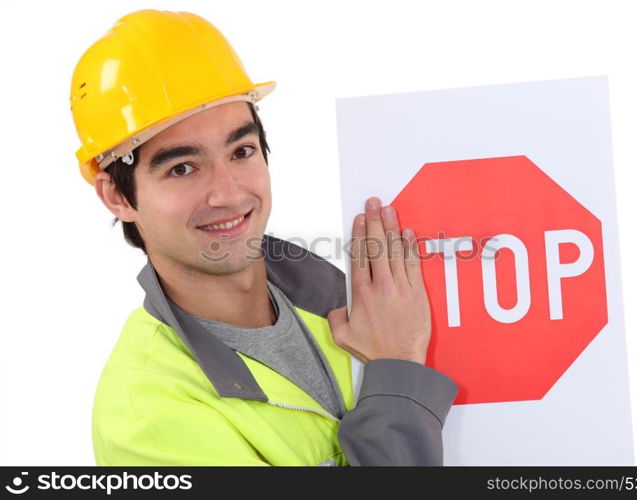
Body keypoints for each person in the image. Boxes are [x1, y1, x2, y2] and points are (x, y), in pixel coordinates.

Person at [70, 8, 458, 466]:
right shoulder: (146, 417)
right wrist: (398, 373)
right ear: (116, 195)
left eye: (241, 150)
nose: (229, 192)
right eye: (182, 167)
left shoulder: (346, 302)